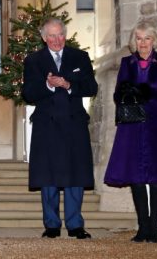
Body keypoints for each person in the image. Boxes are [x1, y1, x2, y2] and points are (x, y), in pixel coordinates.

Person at [104, 22, 157, 243]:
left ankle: (155, 228)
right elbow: (118, 93)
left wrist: (146, 90)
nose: (143, 43)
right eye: (138, 38)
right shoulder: (126, 63)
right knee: (136, 177)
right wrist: (127, 92)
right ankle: (143, 227)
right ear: (134, 41)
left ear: (154, 40)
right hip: (132, 124)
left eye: (147, 38)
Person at [22, 18, 98, 239]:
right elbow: (28, 93)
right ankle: (52, 224)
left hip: (74, 123)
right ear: (44, 38)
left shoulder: (80, 57)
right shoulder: (34, 60)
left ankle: (75, 224)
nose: (57, 40)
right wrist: (47, 85)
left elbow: (91, 87)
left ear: (65, 35)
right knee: (48, 176)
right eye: (52, 36)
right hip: (47, 125)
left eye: (60, 35)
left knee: (76, 174)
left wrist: (68, 85)